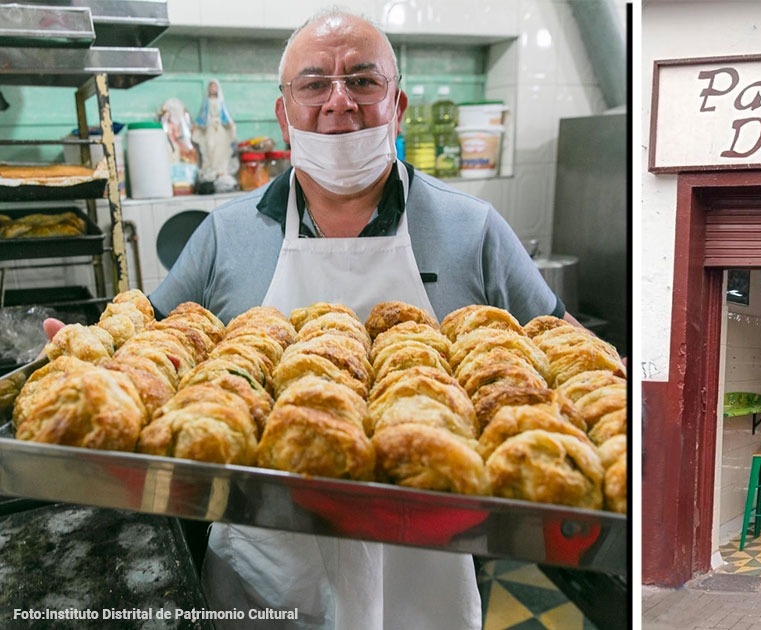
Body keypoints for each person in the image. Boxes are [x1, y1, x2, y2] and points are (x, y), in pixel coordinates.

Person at [46, 7, 582, 629]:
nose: (339, 103)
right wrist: (86, 361)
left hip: (428, 559)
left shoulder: (474, 228)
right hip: (265, 561)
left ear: (398, 105)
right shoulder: (225, 234)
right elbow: (153, 356)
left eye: (362, 81)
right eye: (313, 84)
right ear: (284, 112)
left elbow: (558, 356)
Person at [192, 78, 238, 188]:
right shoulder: (206, 101)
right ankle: (210, 168)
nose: (213, 89)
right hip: (210, 127)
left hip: (219, 128)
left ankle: (220, 169)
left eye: (215, 87)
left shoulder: (220, 101)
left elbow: (225, 114)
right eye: (211, 87)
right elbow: (202, 115)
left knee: (220, 148)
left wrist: (230, 124)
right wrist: (197, 125)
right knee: (209, 146)